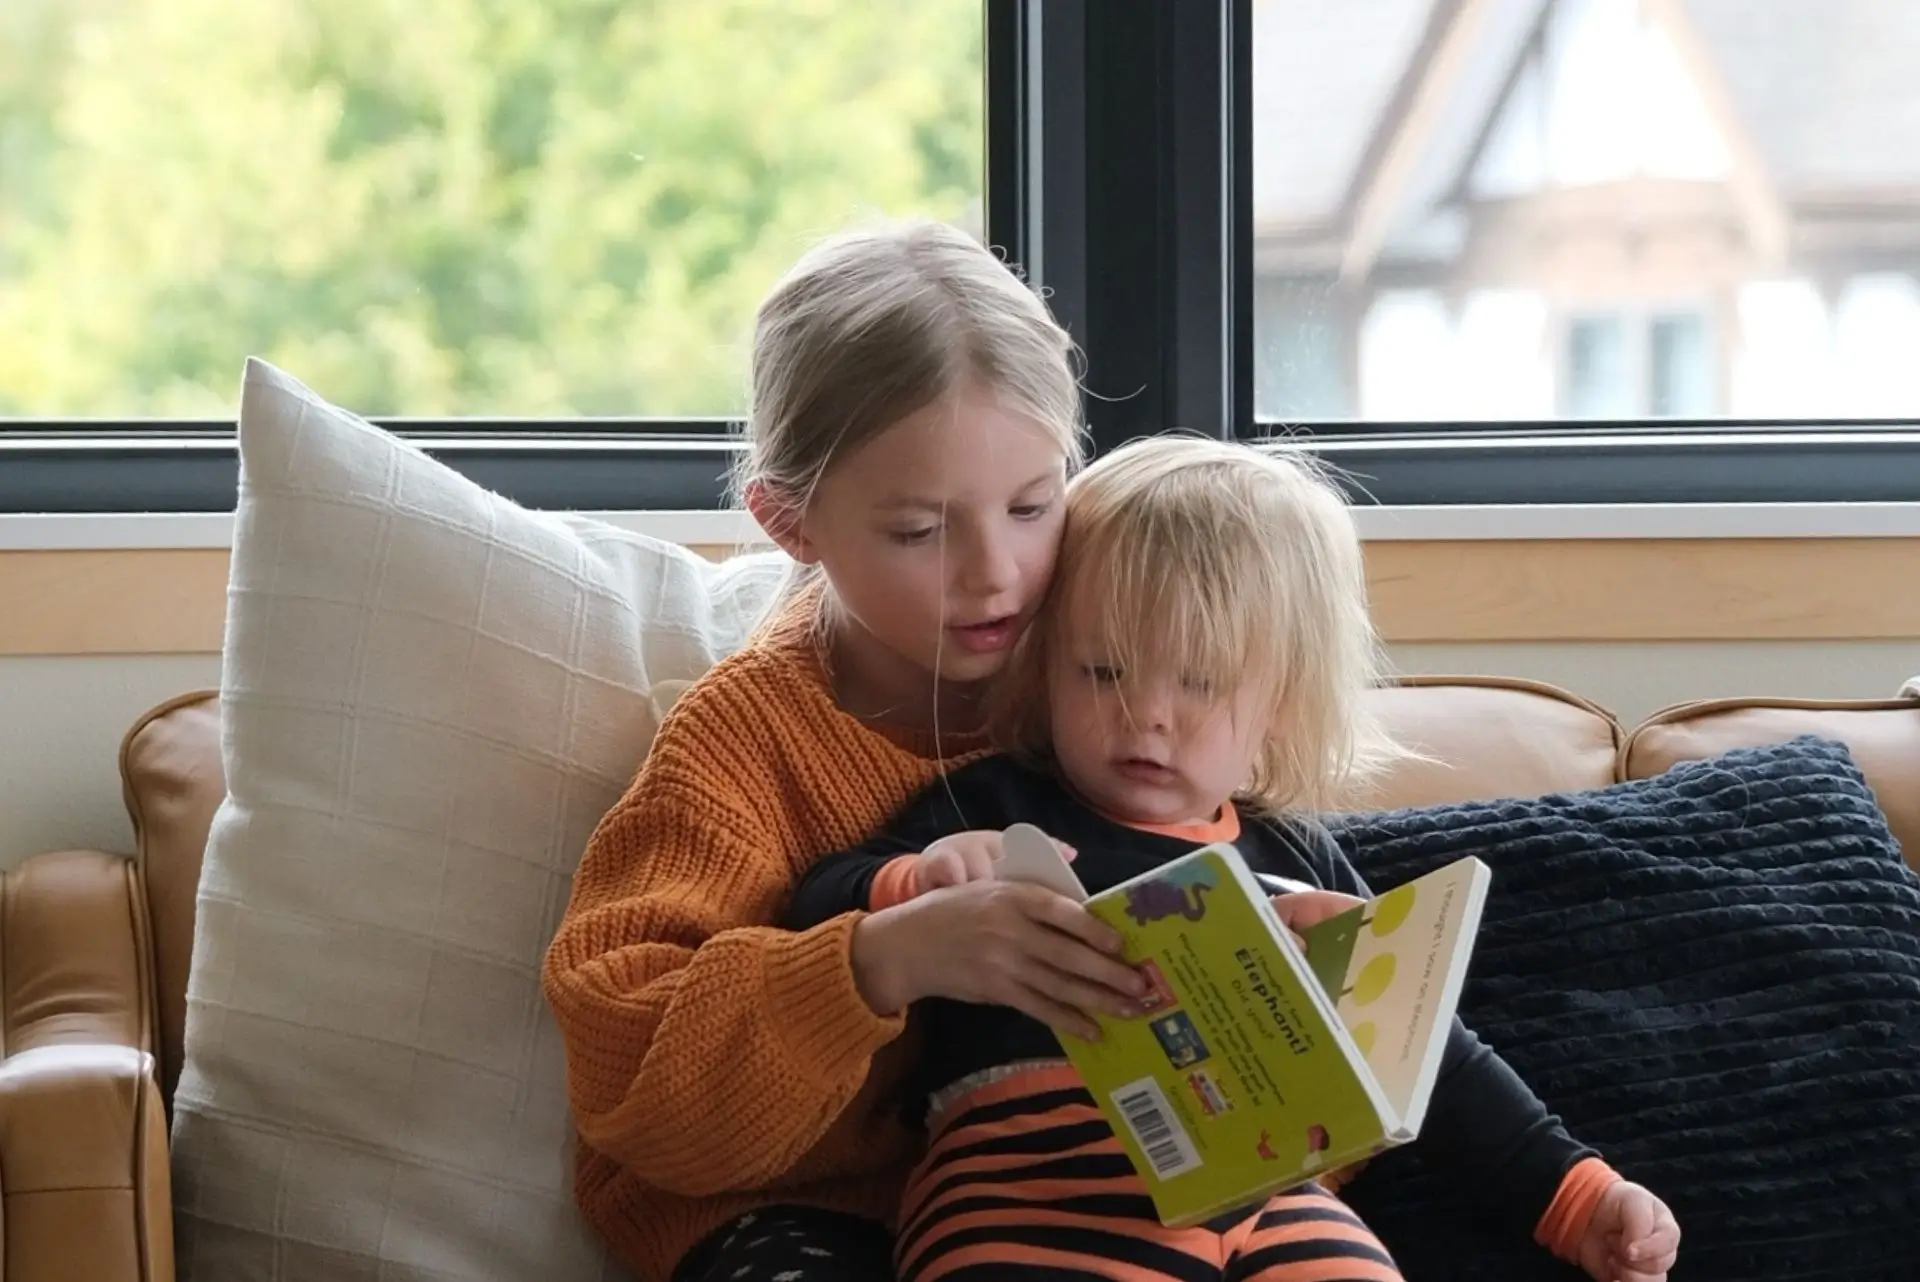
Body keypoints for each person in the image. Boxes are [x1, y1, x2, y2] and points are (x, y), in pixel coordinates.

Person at [784, 436, 1685, 1282]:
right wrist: (916, 884)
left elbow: (1433, 1061)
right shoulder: (995, 803)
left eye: (1200, 682)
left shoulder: (1297, 853)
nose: (1146, 715)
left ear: (1280, 705)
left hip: (1272, 1190)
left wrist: (1580, 1196)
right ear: (1043, 664)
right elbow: (810, 903)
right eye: (1103, 672)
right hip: (1031, 1174)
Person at [542, 218, 1157, 1282]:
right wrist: (885, 958)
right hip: (801, 1213)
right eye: (920, 531)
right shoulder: (741, 745)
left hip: (1070, 1190)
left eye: (1032, 506)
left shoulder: (1111, 669)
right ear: (791, 523)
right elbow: (628, 1081)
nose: (997, 572)